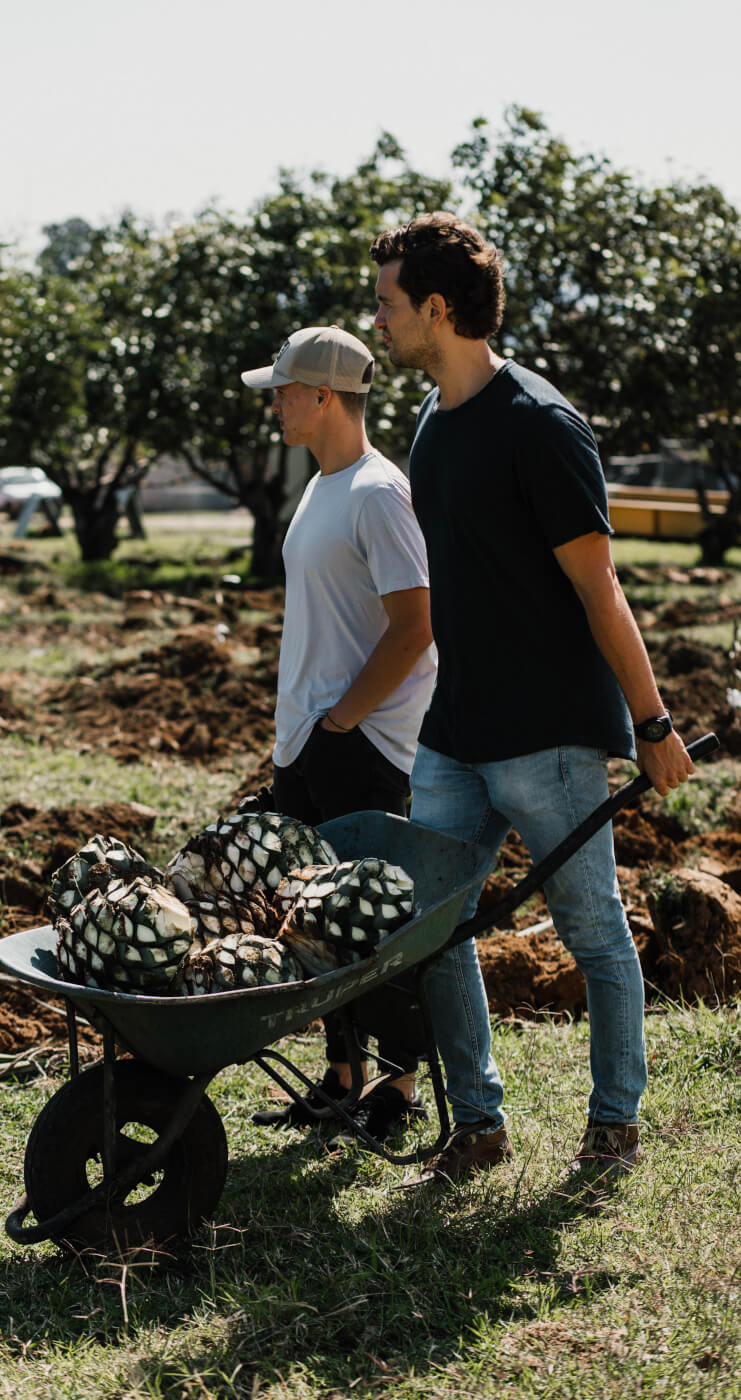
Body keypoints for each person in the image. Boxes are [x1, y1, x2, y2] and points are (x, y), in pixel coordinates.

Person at [369, 213, 695, 1183]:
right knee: (432, 927)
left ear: (437, 307)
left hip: (547, 734)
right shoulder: (432, 423)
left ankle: (615, 1126)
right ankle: (478, 1122)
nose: (378, 320)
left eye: (388, 302)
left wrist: (653, 722)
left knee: (593, 928)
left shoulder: (539, 426)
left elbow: (601, 587)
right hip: (456, 727)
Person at [240, 325, 438, 1149]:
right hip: (311, 741)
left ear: (324, 396)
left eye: (283, 390)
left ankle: (398, 1086)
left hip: (356, 745)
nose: (273, 404)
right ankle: (341, 1079)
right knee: (318, 924)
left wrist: (344, 721)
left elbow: (416, 624)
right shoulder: (323, 485)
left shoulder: (376, 492)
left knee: (367, 928)